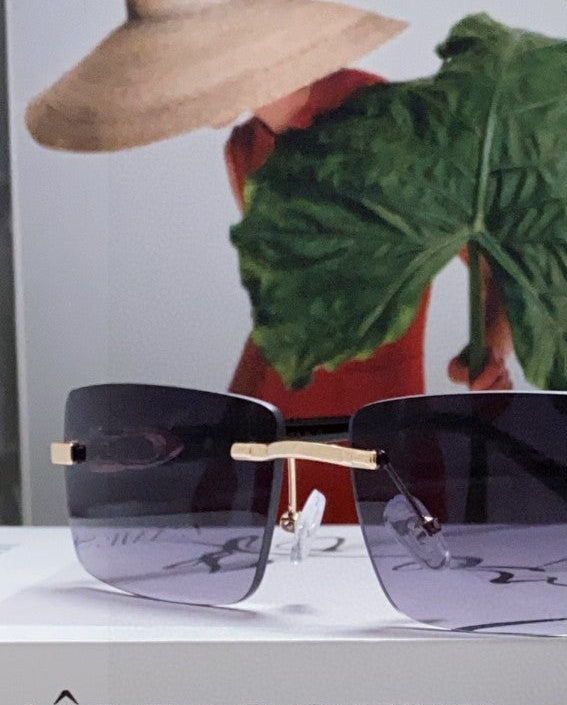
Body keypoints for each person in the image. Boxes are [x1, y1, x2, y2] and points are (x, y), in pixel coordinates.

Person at [26, 0, 512, 521]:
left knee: (377, 552)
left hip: (375, 433)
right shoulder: (245, 148)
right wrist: (228, 437)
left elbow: (500, 259)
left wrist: (492, 345)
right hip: (268, 433)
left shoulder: (392, 127)